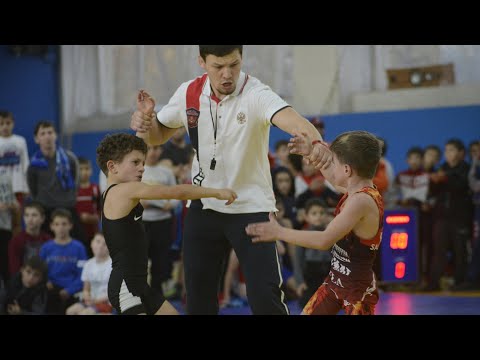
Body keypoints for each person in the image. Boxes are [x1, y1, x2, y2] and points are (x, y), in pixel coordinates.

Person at [130, 45, 330, 315]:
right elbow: (157, 136)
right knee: (198, 299)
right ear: (202, 62)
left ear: (242, 59)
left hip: (251, 207)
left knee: (264, 298)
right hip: (204, 205)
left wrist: (314, 141)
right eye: (218, 66)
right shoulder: (188, 93)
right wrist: (146, 123)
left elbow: (294, 120)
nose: (227, 74)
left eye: (234, 65)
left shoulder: (256, 93)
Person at [96, 132, 237, 315]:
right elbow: (176, 192)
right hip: (126, 287)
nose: (142, 168)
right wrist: (216, 192)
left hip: (138, 285)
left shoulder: (112, 193)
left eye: (143, 163)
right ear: (112, 166)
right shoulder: (124, 191)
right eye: (136, 162)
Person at [246, 130, 384, 315]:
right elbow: (335, 179)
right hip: (335, 280)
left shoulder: (361, 201)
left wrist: (278, 232)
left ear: (347, 170)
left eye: (333, 162)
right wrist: (309, 154)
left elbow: (324, 240)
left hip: (358, 291)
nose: (330, 166)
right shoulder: (356, 189)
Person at [66, 233, 113, 315]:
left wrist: (95, 301)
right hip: (91, 301)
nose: (100, 246)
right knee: (70, 311)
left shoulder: (113, 265)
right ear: (91, 243)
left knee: (85, 313)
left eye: (105, 244)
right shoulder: (88, 264)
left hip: (107, 303)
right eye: (98, 242)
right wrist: (87, 297)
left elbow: (113, 293)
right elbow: (86, 289)